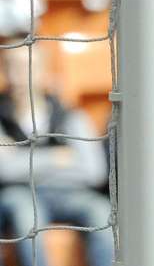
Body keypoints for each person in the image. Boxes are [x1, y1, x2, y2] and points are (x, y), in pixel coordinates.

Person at [0, 44, 111, 266]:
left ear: (44, 72)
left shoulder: (70, 115)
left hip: (68, 194)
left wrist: (23, 161)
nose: (21, 75)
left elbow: (94, 171)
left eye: (28, 67)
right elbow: (5, 171)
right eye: (14, 67)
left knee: (102, 213)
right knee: (27, 218)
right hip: (20, 195)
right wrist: (58, 158)